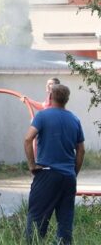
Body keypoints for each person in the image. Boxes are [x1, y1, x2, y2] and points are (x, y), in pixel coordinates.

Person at [24, 84, 85, 244]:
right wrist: (74, 172)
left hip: (47, 173)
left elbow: (28, 139)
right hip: (68, 177)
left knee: (36, 222)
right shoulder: (74, 119)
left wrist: (32, 165)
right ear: (66, 100)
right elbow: (81, 150)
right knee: (65, 225)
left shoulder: (42, 116)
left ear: (50, 97)